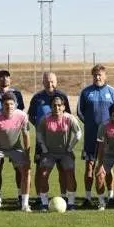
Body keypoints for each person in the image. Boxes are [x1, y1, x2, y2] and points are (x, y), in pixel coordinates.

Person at [77, 64, 114, 207]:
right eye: (95, 75)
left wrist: (107, 128)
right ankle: (88, 198)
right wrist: (91, 124)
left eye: (100, 74)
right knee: (89, 165)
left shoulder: (112, 92)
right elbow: (80, 112)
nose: (97, 77)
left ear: (105, 76)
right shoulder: (85, 92)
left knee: (108, 166)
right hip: (91, 136)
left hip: (109, 137)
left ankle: (111, 196)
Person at [0, 93, 33, 213]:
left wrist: (27, 154)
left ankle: (25, 205)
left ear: (15, 104)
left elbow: (26, 136)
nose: (9, 106)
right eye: (6, 104)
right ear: (1, 105)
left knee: (27, 170)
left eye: (11, 104)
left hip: (15, 147)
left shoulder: (22, 116)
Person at [28, 72, 72, 207]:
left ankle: (64, 195)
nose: (49, 84)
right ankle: (39, 197)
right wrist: (42, 128)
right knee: (41, 169)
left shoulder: (62, 96)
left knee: (62, 168)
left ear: (56, 82)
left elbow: (68, 115)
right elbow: (31, 116)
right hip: (43, 140)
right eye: (47, 81)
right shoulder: (37, 98)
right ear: (43, 82)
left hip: (60, 140)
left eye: (52, 81)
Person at [35, 93, 82, 210]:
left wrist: (70, 148)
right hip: (49, 153)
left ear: (64, 107)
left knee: (70, 174)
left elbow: (78, 133)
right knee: (43, 174)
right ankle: (44, 203)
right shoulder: (45, 119)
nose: (57, 108)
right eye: (54, 105)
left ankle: (71, 203)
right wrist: (44, 149)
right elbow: (39, 134)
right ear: (51, 106)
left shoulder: (70, 118)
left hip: (65, 153)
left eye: (59, 105)